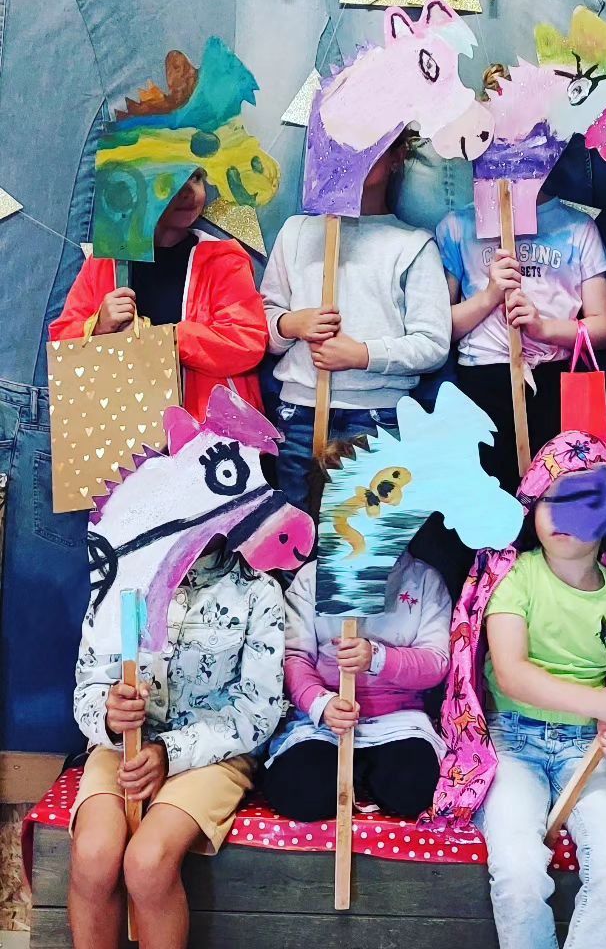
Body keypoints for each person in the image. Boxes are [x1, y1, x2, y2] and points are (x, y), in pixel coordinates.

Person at [67, 547, 285, 949]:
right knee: (94, 855)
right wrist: (110, 715)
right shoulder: (120, 580)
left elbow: (257, 712)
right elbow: (89, 686)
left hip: (214, 753)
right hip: (120, 750)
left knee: (148, 862)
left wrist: (170, 752)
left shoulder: (258, 592)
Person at [476, 434, 606, 949]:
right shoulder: (512, 578)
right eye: (553, 499)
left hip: (585, 753)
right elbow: (512, 674)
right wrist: (603, 704)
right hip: (512, 744)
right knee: (517, 870)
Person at [261, 438, 451, 820]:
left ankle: (371, 780)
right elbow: (294, 658)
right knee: (298, 792)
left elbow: (436, 663)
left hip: (399, 722)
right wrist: (320, 703)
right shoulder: (311, 580)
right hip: (324, 722)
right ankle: (351, 780)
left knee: (413, 788)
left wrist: (377, 657)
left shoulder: (424, 581)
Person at [263, 134, 451, 512]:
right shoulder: (295, 233)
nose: (357, 154)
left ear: (398, 156)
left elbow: (433, 344)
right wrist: (291, 325)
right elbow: (265, 322)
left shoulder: (413, 244)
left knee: (364, 537)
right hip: (298, 414)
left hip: (377, 418)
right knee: (294, 531)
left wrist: (361, 355)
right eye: (346, 142)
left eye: (373, 143)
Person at [49, 168, 267, 418]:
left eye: (196, 178)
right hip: (121, 425)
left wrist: (166, 338)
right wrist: (97, 327)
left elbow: (247, 342)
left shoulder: (224, 260)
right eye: (173, 177)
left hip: (204, 430)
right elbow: (61, 344)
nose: (189, 192)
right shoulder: (106, 261)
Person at [436, 192, 606, 493]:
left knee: (558, 495)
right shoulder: (457, 225)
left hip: (556, 379)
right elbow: (438, 329)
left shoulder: (577, 226)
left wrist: (543, 328)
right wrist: (490, 296)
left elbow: (603, 328)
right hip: (483, 378)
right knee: (489, 494)